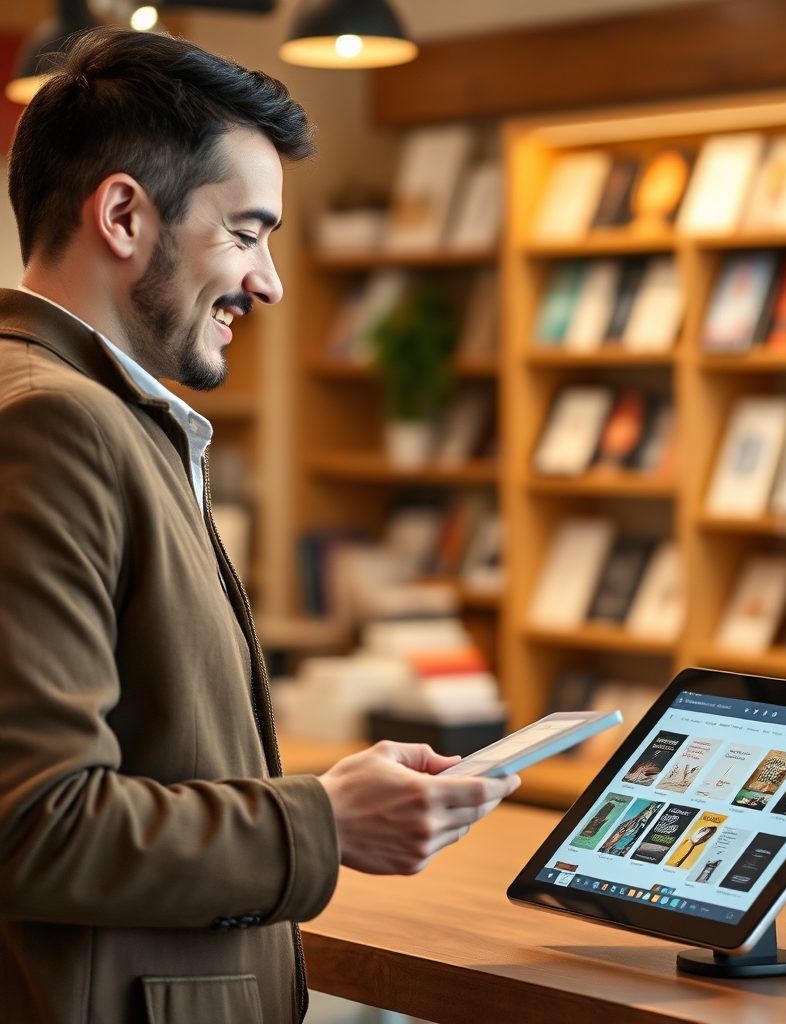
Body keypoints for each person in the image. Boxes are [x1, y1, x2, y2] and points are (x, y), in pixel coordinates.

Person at [0, 28, 518, 1024]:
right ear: (122, 215)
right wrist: (323, 820)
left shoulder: (93, 414)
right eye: (246, 231)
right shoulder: (56, 423)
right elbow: (34, 820)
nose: (269, 280)